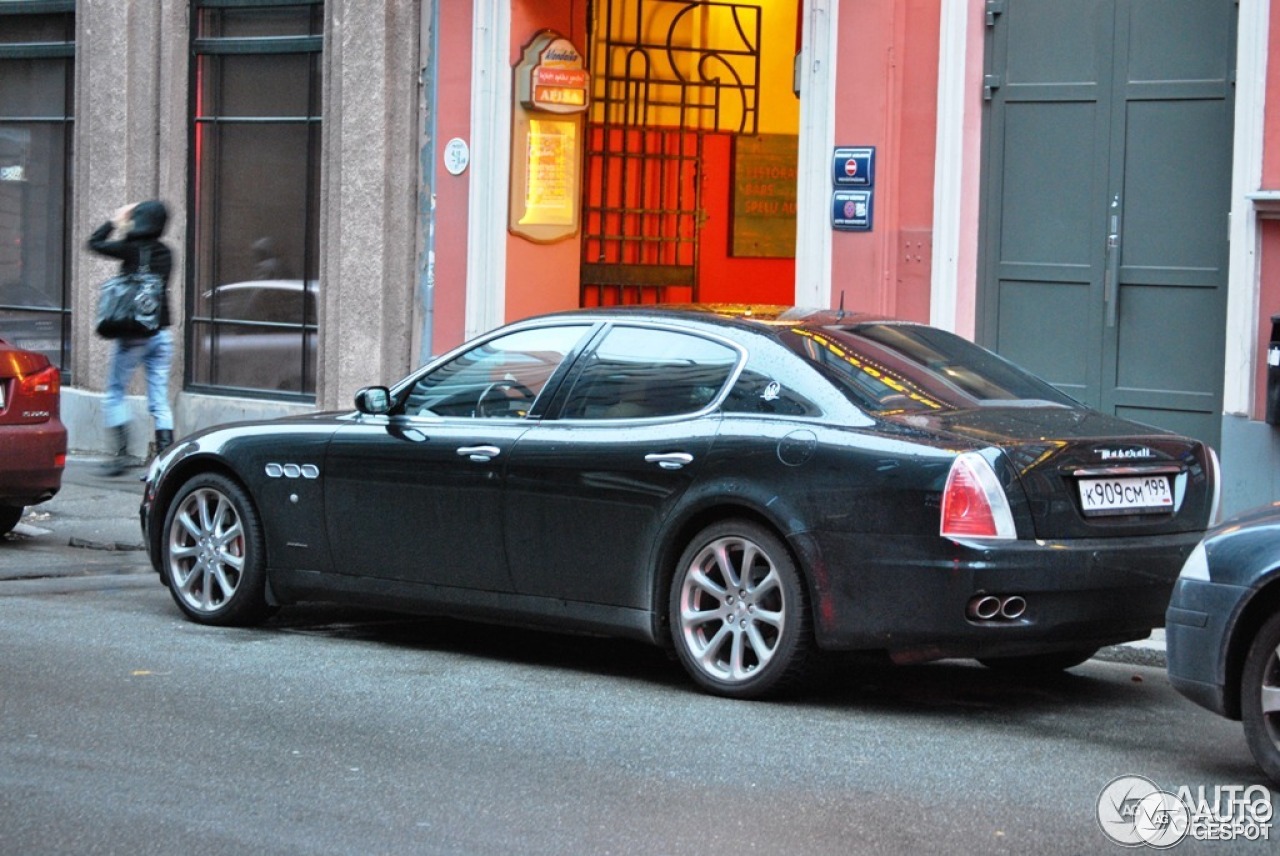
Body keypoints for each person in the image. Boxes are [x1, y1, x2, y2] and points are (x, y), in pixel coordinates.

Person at [87, 200, 175, 476]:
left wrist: (117, 220)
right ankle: (165, 464)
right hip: (161, 334)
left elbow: (94, 243)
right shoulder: (166, 253)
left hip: (133, 337)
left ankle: (121, 455)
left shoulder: (130, 249)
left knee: (114, 392)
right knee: (159, 400)